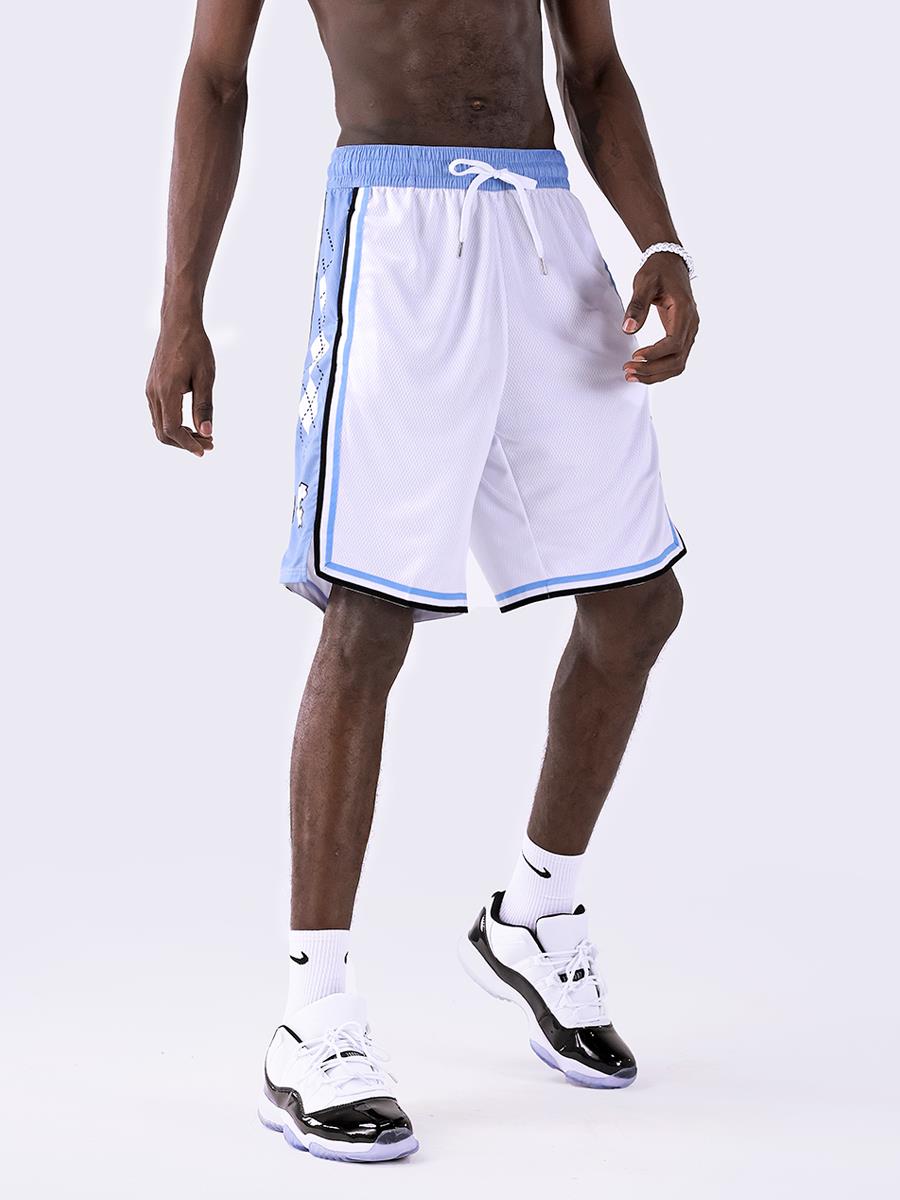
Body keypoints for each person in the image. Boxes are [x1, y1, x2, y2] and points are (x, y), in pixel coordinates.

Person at [146, 0, 698, 1164]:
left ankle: (536, 910)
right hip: (395, 232)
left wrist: (661, 241)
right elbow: (215, 77)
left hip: (542, 224)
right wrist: (180, 305)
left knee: (640, 600)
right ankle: (312, 1015)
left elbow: (593, 67)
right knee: (371, 619)